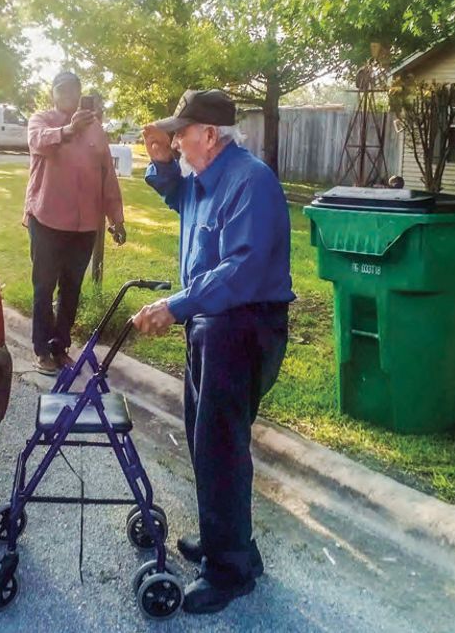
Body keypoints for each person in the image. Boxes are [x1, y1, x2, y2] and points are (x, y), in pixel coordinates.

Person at [132, 89, 294, 614]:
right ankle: (231, 542)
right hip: (213, 323)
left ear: (209, 135)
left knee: (221, 446)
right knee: (207, 440)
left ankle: (229, 572)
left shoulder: (251, 181)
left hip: (242, 327)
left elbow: (242, 270)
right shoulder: (206, 177)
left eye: (180, 134)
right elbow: (183, 198)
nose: (175, 141)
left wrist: (175, 305)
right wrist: (161, 164)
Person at [25, 71, 127, 375]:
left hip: (84, 228)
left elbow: (107, 176)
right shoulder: (41, 120)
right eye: (63, 90)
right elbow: (38, 142)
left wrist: (116, 219)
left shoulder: (97, 130)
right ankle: (42, 350)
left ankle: (61, 347)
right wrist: (68, 129)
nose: (69, 95)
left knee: (71, 289)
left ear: (82, 93)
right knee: (44, 287)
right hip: (47, 220)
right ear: (53, 93)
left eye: (74, 90)